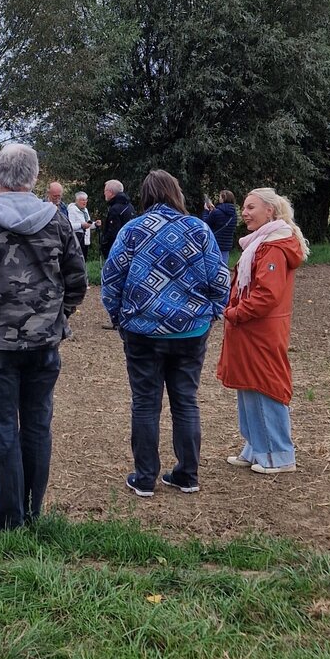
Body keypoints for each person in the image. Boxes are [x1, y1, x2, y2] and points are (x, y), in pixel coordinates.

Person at [0, 141, 87, 532]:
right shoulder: (57, 219)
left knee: (3, 429)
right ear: (34, 176)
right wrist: (55, 316)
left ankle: (9, 518)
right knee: (38, 426)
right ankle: (31, 513)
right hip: (44, 343)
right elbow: (77, 279)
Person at [101, 169, 230, 497]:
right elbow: (219, 278)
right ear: (176, 193)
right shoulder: (198, 229)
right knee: (186, 402)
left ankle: (145, 477)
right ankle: (187, 474)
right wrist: (211, 313)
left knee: (145, 403)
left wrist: (118, 317)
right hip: (190, 330)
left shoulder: (133, 230)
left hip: (142, 331)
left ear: (146, 195)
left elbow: (112, 279)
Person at [217, 187, 309, 475]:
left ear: (269, 211)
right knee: (249, 385)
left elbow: (267, 294)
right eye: (244, 207)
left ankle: (278, 455)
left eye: (251, 207)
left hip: (260, 330)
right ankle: (256, 448)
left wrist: (234, 313)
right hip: (251, 330)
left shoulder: (274, 247)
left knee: (265, 386)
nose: (244, 213)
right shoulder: (260, 243)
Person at [99, 180, 135, 259]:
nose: (104, 193)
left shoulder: (115, 209)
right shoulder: (130, 206)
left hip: (116, 250)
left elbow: (113, 232)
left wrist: (104, 244)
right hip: (130, 246)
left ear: (111, 192)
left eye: (105, 191)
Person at [202, 189, 238, 259]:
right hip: (226, 246)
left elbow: (205, 224)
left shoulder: (216, 212)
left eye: (220, 197)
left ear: (223, 199)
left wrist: (206, 211)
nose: (219, 198)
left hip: (214, 244)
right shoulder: (234, 214)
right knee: (223, 265)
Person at [67, 190, 95, 258]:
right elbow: (69, 225)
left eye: (86, 200)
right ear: (77, 201)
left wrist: (95, 224)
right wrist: (81, 225)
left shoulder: (85, 210)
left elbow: (88, 225)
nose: (85, 202)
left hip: (85, 239)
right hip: (76, 238)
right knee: (77, 260)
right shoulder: (72, 210)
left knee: (84, 260)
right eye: (83, 200)